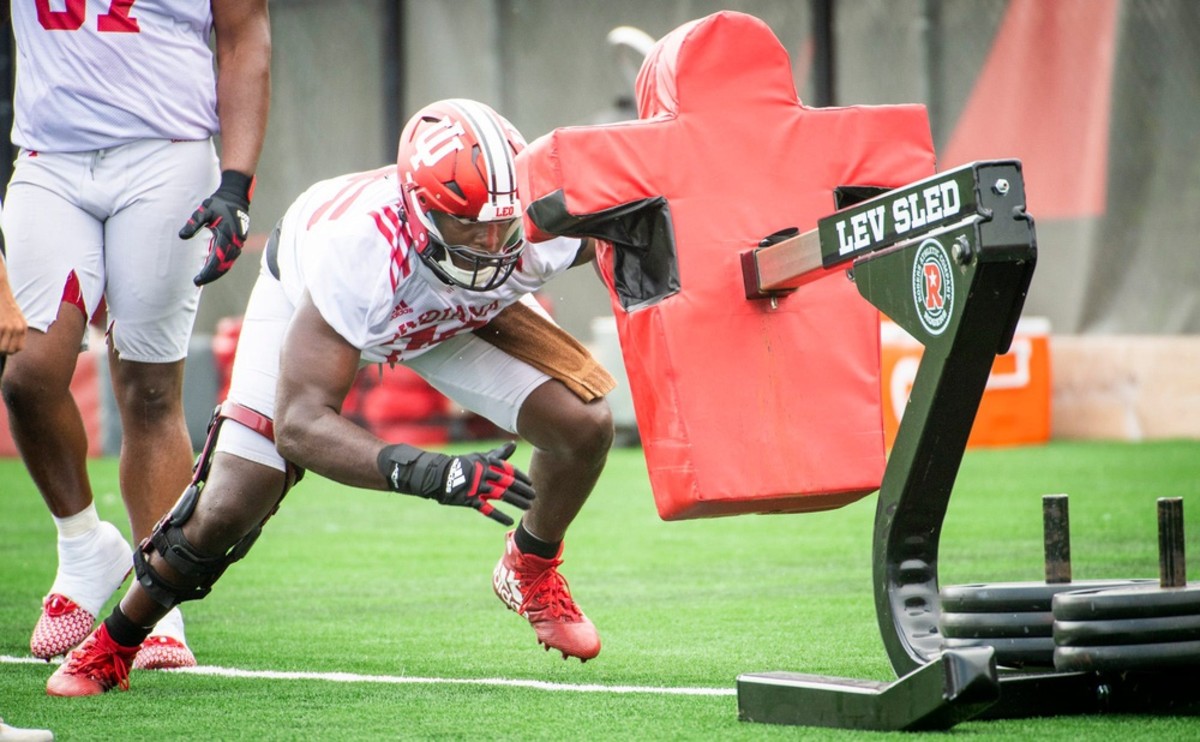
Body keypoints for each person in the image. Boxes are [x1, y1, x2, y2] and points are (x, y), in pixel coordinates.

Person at [45, 98, 615, 697]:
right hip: (321, 304)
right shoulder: (357, 251)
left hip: (451, 312)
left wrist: (641, 252)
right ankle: (113, 644)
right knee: (232, 504)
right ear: (420, 211)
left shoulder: (535, 222)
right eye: (468, 223)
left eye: (501, 223)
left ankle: (530, 564)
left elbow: (626, 235)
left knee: (584, 422)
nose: (490, 240)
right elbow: (300, 426)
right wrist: (432, 472)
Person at [0, 0, 270, 671]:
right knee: (27, 375)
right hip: (48, 158)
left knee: (149, 389)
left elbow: (243, 37)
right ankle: (84, 547)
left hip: (167, 156)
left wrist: (235, 182)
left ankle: (158, 599)